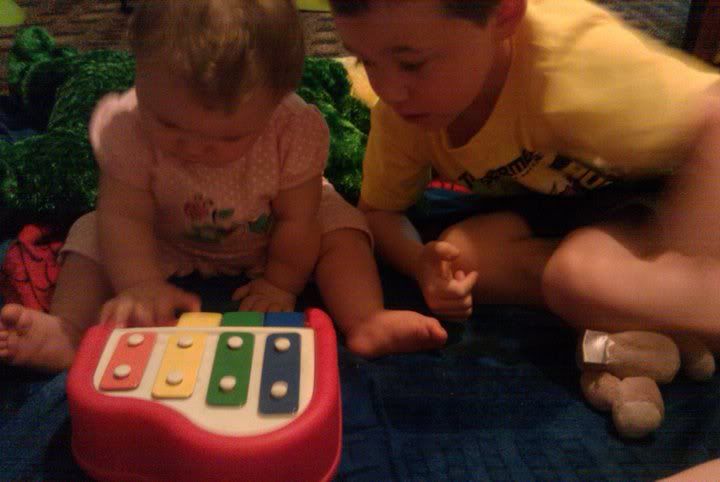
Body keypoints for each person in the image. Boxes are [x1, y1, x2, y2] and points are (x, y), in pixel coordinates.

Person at [0, 0, 447, 371]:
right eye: (169, 124)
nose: (193, 148)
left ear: (275, 104)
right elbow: (124, 216)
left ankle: (366, 319)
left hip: (272, 238)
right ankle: (67, 332)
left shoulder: (291, 130)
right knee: (92, 233)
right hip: (164, 237)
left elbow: (298, 218)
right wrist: (139, 284)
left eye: (227, 137)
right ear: (139, 75)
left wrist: (280, 282)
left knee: (342, 227)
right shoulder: (129, 128)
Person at [328, 0, 720, 341]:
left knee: (577, 277)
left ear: (505, 13)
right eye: (367, 61)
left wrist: (690, 271)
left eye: (412, 63)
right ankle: (623, 305)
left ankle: (637, 304)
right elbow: (379, 211)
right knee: (460, 260)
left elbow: (714, 117)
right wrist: (419, 264)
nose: (388, 91)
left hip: (676, 190)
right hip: (578, 205)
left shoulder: (573, 62)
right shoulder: (404, 117)